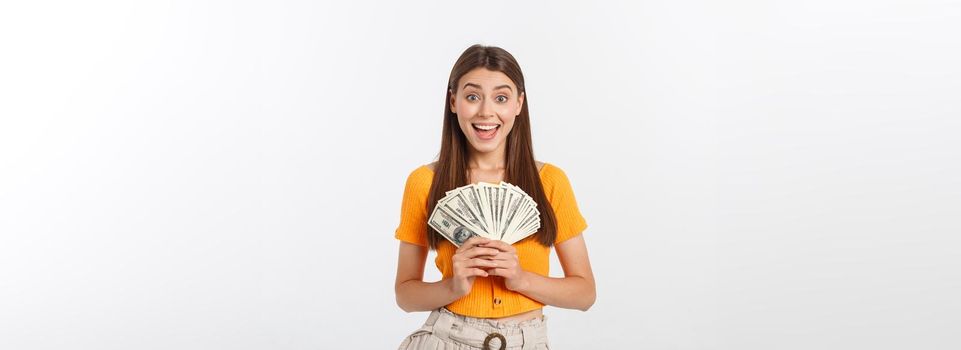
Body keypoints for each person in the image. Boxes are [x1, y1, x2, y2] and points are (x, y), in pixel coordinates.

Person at [394, 44, 596, 350]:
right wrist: (453, 286)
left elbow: (585, 294)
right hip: (447, 338)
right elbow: (405, 295)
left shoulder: (550, 182)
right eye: (472, 96)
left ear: (518, 104)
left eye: (501, 98)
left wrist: (520, 279)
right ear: (453, 101)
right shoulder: (424, 182)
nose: (486, 112)